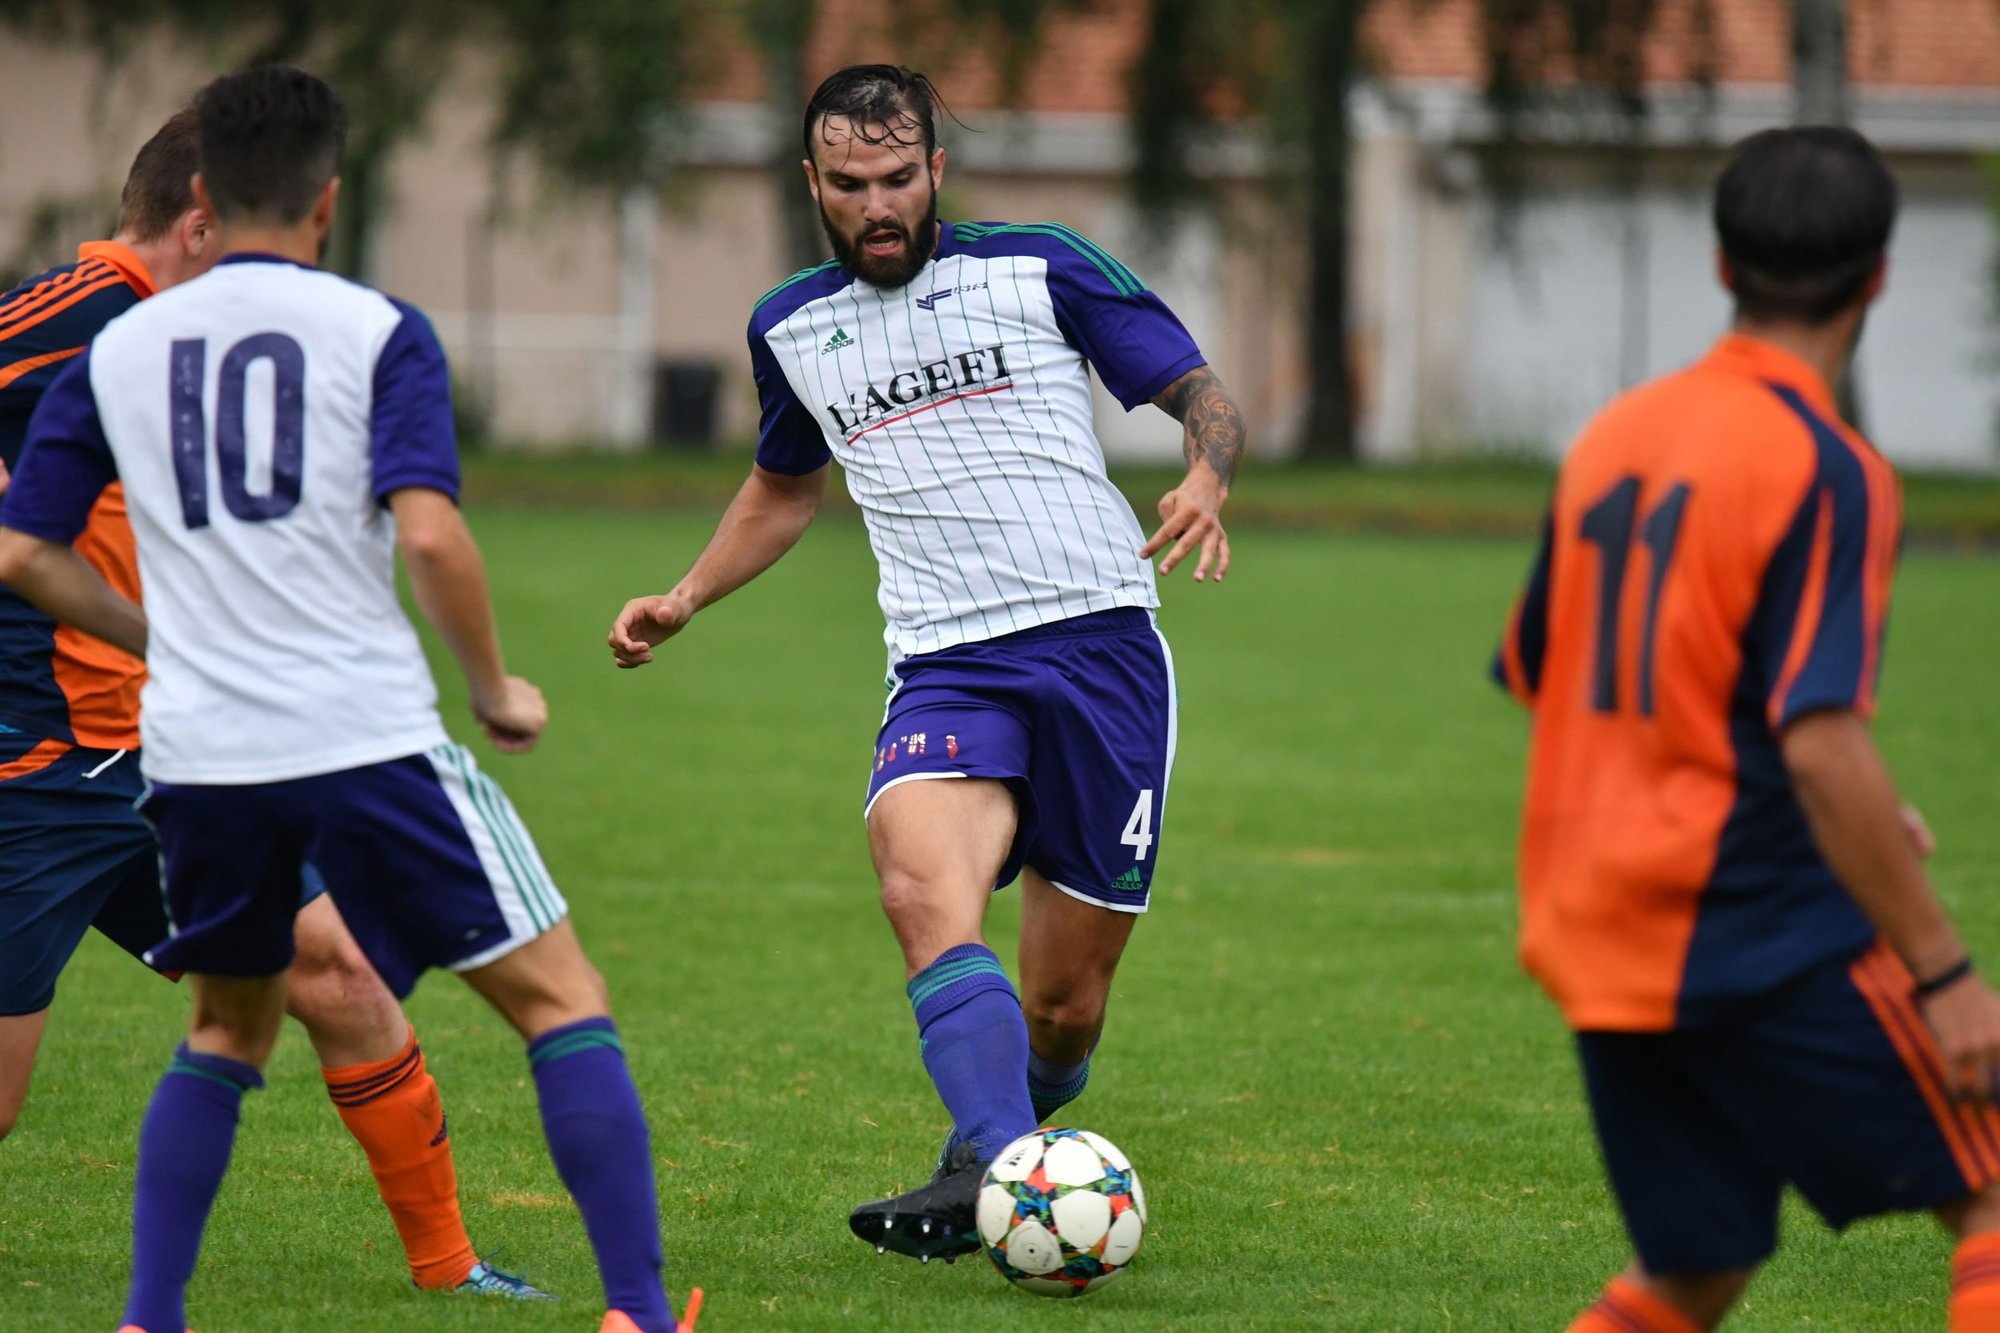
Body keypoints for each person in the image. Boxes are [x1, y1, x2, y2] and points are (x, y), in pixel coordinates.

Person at [0, 67, 696, 1333]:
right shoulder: (377, 329)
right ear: (328, 204)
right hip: (343, 736)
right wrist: (495, 690)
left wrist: (165, 632)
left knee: (232, 1028)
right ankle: (640, 1313)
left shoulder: (123, 351)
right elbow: (430, 537)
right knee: (561, 1000)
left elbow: (24, 553)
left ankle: (157, 1313)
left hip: (192, 754)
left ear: (208, 199)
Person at [607, 63, 1246, 1262]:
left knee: (1060, 1010)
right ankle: (1006, 1175)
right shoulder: (790, 325)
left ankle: (999, 1138)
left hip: (1098, 646)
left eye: (898, 177)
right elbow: (783, 486)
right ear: (814, 185)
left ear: (935, 171)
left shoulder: (1038, 265)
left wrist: (1206, 470)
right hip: (946, 663)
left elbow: (1197, 390)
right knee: (917, 890)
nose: (878, 204)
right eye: (849, 184)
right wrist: (684, 597)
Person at [1493, 125, 2000, 1333]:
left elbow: (1539, 670)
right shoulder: (1826, 465)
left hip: (1594, 924)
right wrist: (1946, 975)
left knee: (1697, 1265)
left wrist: (1831, 801)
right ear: (1876, 276)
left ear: (1721, 266)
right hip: (1738, 920)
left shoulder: (1614, 435)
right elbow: (1817, 737)